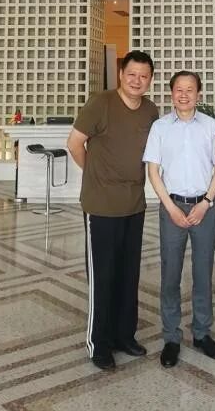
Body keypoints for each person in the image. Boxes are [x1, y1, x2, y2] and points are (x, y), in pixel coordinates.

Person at [67, 50, 159, 370]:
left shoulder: (150, 110)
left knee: (128, 274)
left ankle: (124, 336)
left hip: (134, 204)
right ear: (121, 74)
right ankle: (99, 344)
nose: (137, 80)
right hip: (102, 206)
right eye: (131, 74)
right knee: (103, 276)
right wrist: (95, 174)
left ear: (150, 80)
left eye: (143, 76)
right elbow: (74, 143)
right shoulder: (101, 103)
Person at [144, 70, 215, 368]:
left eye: (190, 89)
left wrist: (206, 202)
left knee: (203, 272)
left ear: (198, 94)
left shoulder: (212, 127)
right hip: (172, 206)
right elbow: (153, 171)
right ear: (171, 93)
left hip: (205, 207)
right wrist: (170, 207)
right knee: (170, 274)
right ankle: (171, 337)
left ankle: (202, 333)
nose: (184, 94)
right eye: (179, 89)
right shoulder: (160, 127)